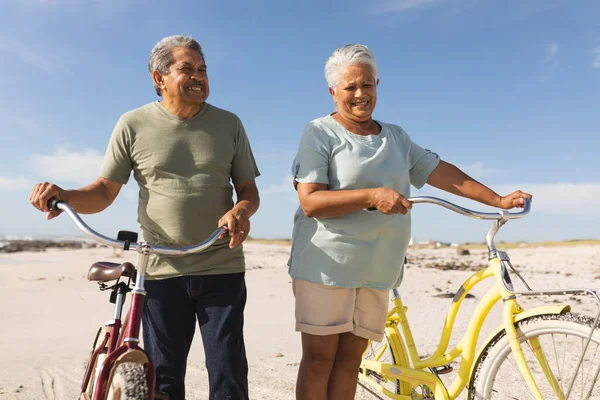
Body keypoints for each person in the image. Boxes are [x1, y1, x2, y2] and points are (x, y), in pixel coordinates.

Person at [288, 44, 531, 400]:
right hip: (327, 266)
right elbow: (311, 201)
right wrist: (372, 195)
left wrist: (497, 199)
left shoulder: (396, 136)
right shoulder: (320, 132)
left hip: (378, 266)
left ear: (377, 85)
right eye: (350, 87)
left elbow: (440, 172)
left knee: (349, 363)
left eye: (367, 85)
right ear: (332, 91)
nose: (360, 94)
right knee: (320, 360)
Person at [29, 35, 260, 400]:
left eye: (202, 69)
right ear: (159, 77)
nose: (199, 76)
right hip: (161, 269)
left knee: (229, 373)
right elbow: (104, 192)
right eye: (187, 69)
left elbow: (248, 190)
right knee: (162, 381)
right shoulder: (132, 123)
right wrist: (65, 196)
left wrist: (240, 210)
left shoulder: (229, 124)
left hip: (221, 265)